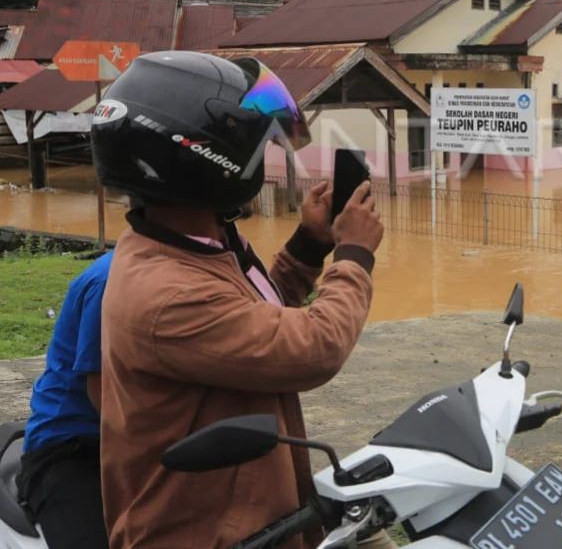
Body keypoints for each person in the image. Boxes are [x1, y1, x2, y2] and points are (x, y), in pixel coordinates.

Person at [91, 51, 390, 549]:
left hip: (248, 508)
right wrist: (354, 253)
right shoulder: (165, 295)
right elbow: (314, 348)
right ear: (209, 161)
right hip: (202, 532)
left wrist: (310, 244)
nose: (265, 165)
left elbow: (255, 319)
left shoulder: (192, 243)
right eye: (258, 153)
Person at [16, 251, 113, 549]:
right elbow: (102, 394)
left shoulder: (218, 266)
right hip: (74, 444)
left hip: (140, 440)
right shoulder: (109, 281)